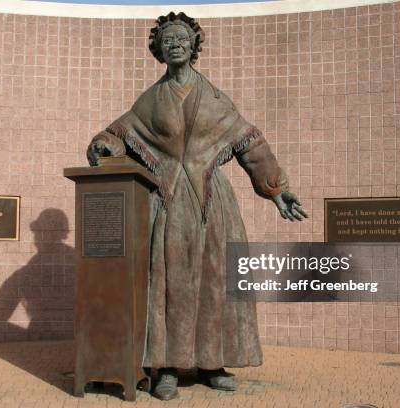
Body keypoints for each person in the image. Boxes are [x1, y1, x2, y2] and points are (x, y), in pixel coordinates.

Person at [87, 12, 307, 400]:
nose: (175, 44)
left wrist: (276, 189)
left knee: (214, 280)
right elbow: (121, 131)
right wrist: (104, 143)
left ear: (193, 47)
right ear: (159, 49)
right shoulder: (151, 100)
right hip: (168, 202)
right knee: (169, 283)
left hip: (211, 204)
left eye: (182, 39)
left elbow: (248, 143)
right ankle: (167, 366)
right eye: (167, 39)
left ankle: (212, 363)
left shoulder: (215, 97)